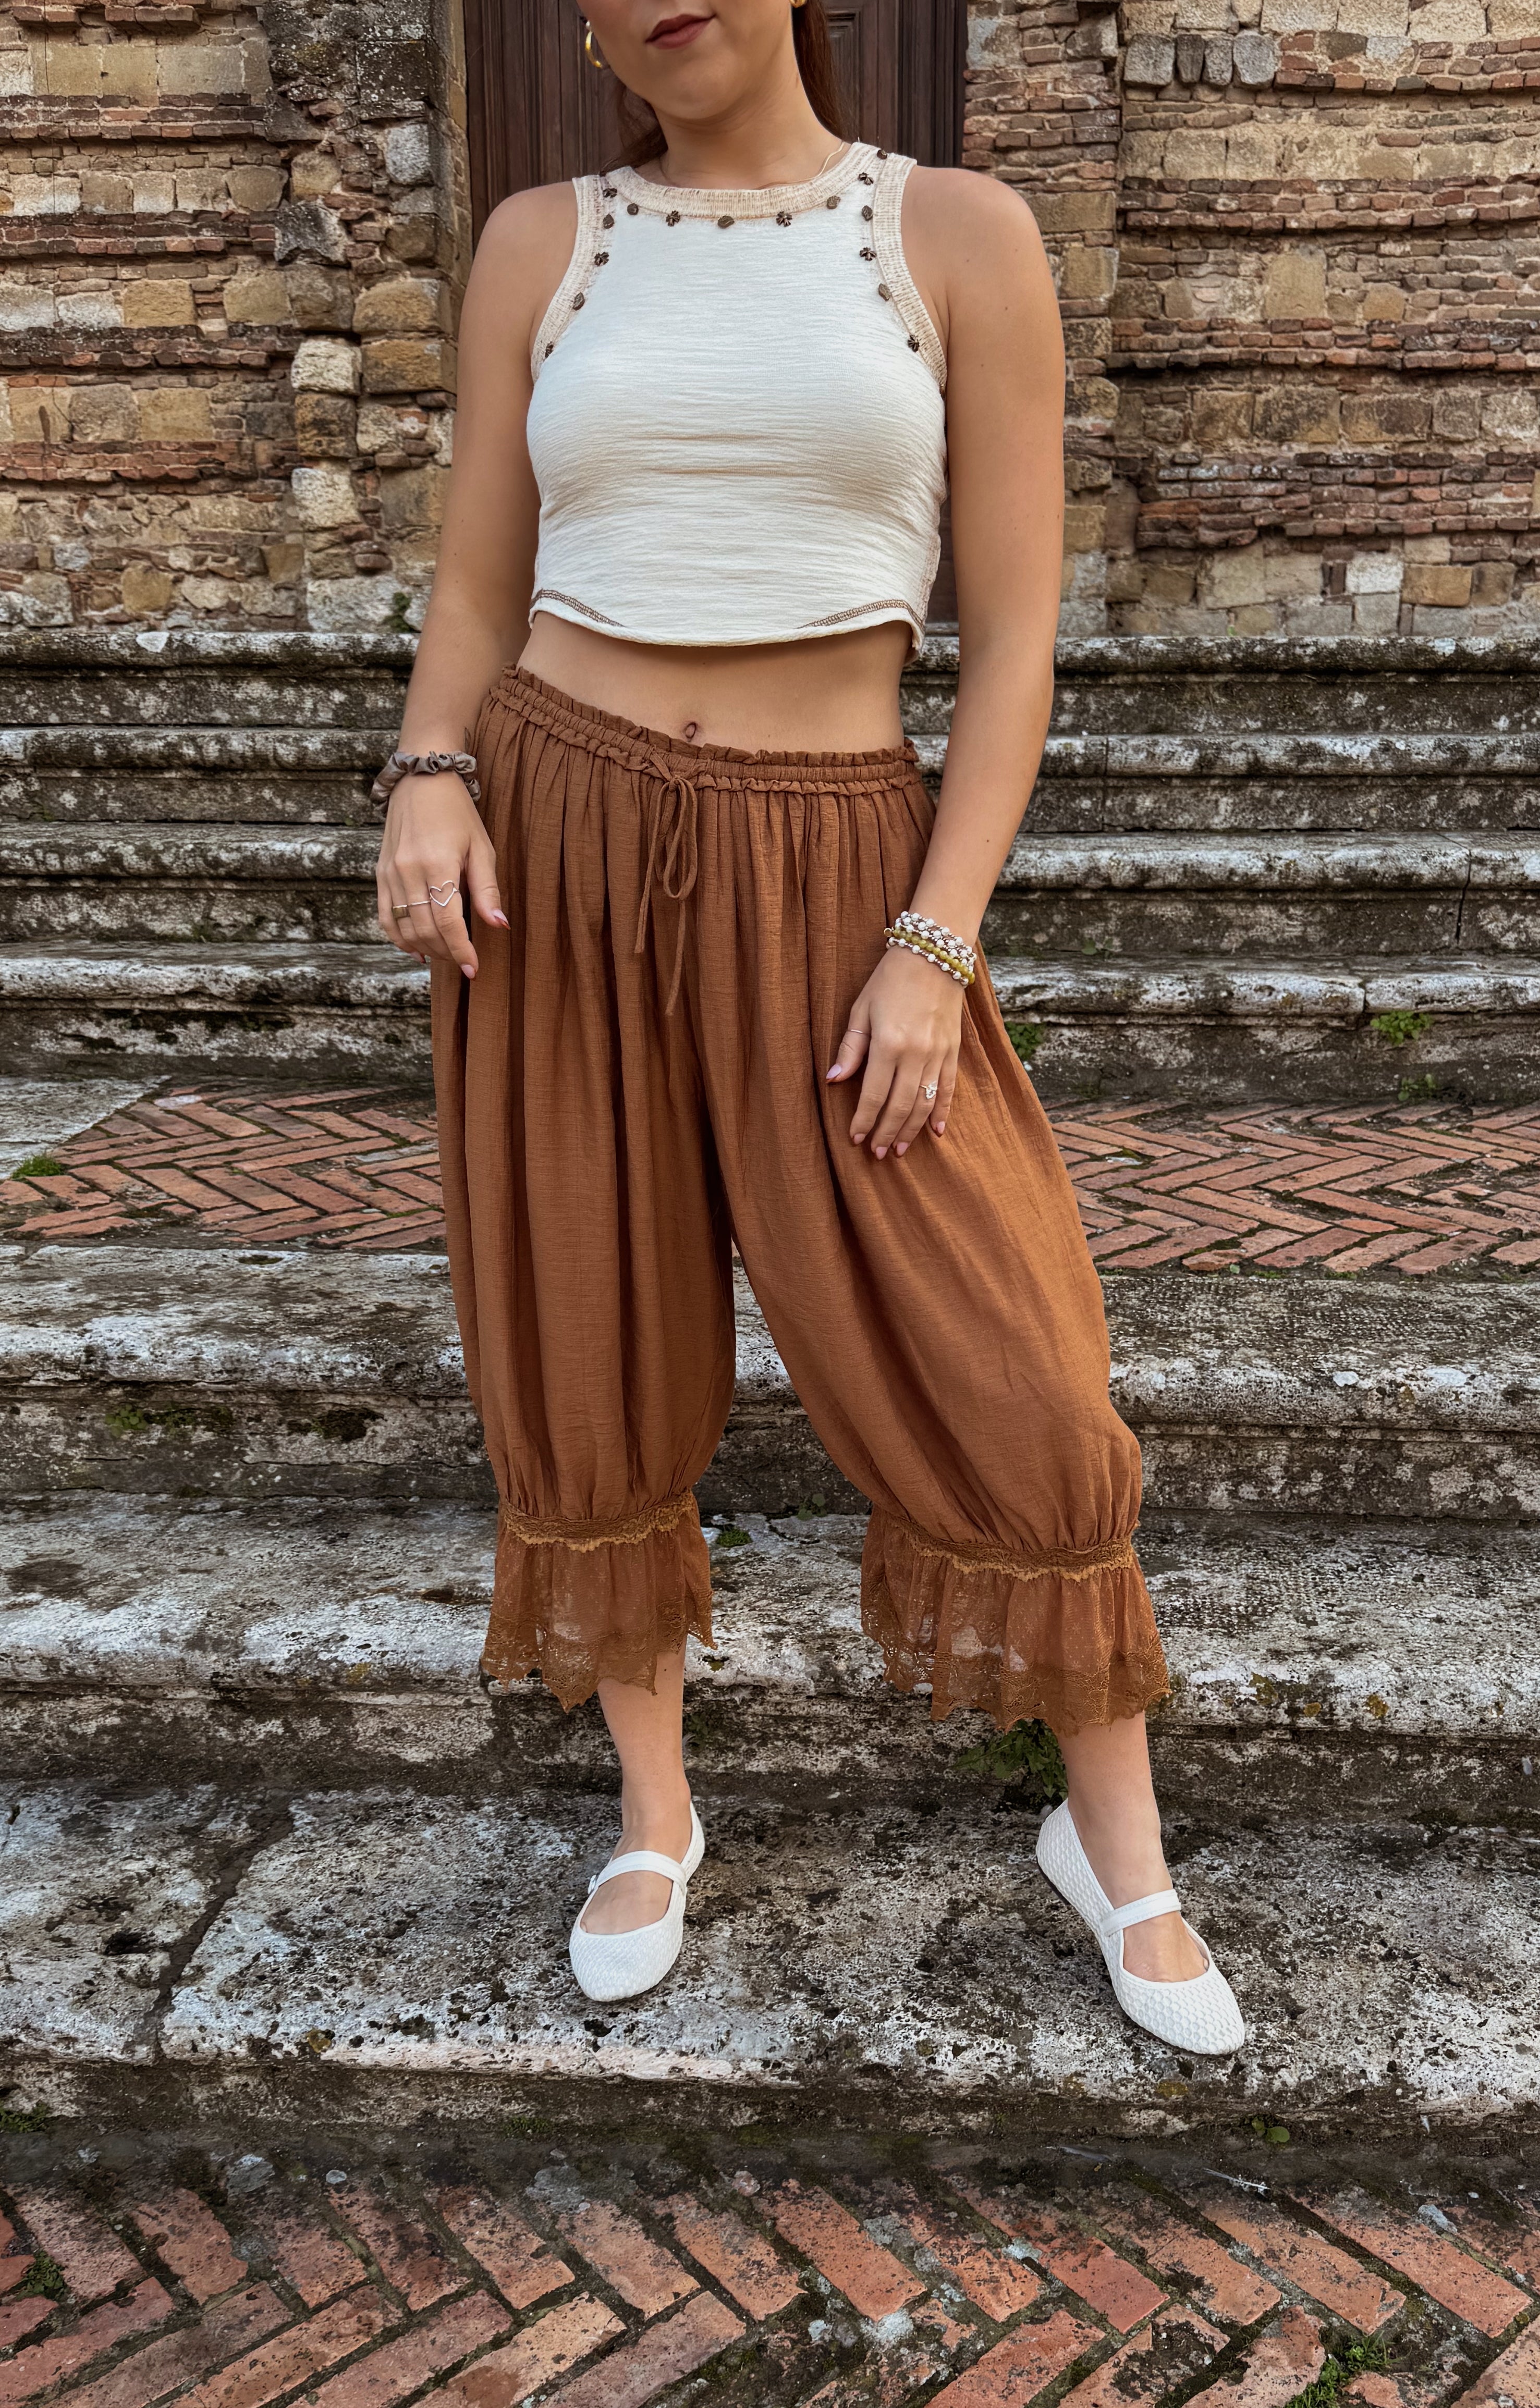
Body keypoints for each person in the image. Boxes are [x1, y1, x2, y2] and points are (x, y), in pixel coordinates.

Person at [371, 0, 1244, 2056]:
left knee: (1009, 1351)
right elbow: (480, 585)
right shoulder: (540, 240)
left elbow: (1011, 640)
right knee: (583, 1329)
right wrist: (427, 770)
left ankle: (1114, 1841)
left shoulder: (953, 232)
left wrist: (932, 941)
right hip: (557, 839)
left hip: (836, 853)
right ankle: (654, 1810)